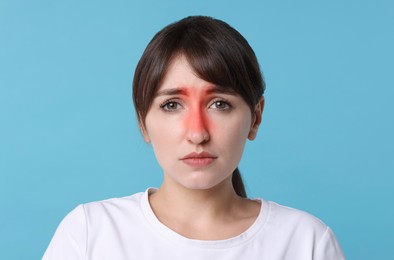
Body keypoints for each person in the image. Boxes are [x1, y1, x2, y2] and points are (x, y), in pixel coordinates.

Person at [43, 16, 345, 259]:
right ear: (142, 123)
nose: (198, 132)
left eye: (220, 104)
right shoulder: (89, 233)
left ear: (256, 118)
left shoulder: (307, 243)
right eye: (171, 105)